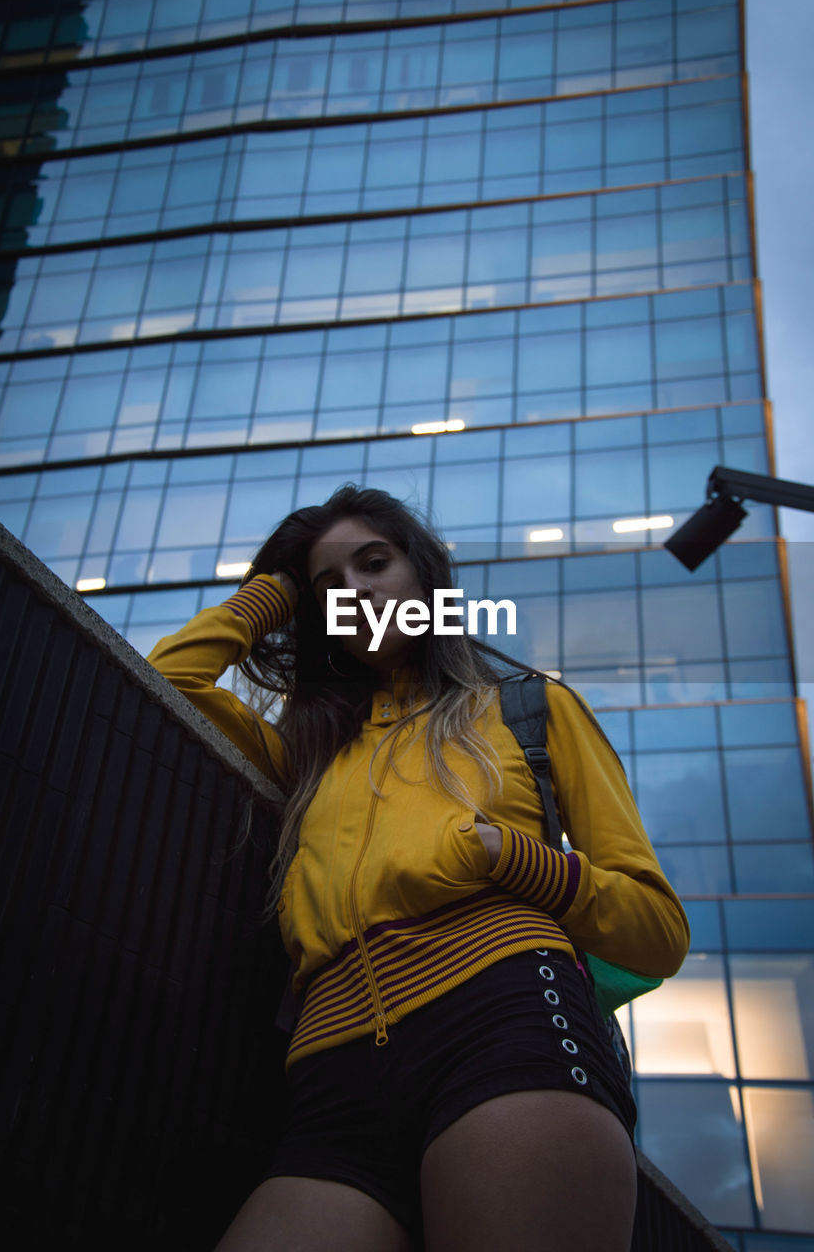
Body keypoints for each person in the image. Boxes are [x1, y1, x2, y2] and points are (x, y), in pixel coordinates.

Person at [148, 483, 689, 1252]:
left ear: (424, 576)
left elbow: (658, 931)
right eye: (330, 586)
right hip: (329, 1069)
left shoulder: (529, 707)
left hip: (503, 1022)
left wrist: (526, 863)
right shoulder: (308, 754)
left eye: (374, 563)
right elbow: (172, 683)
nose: (357, 591)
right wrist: (272, 594)